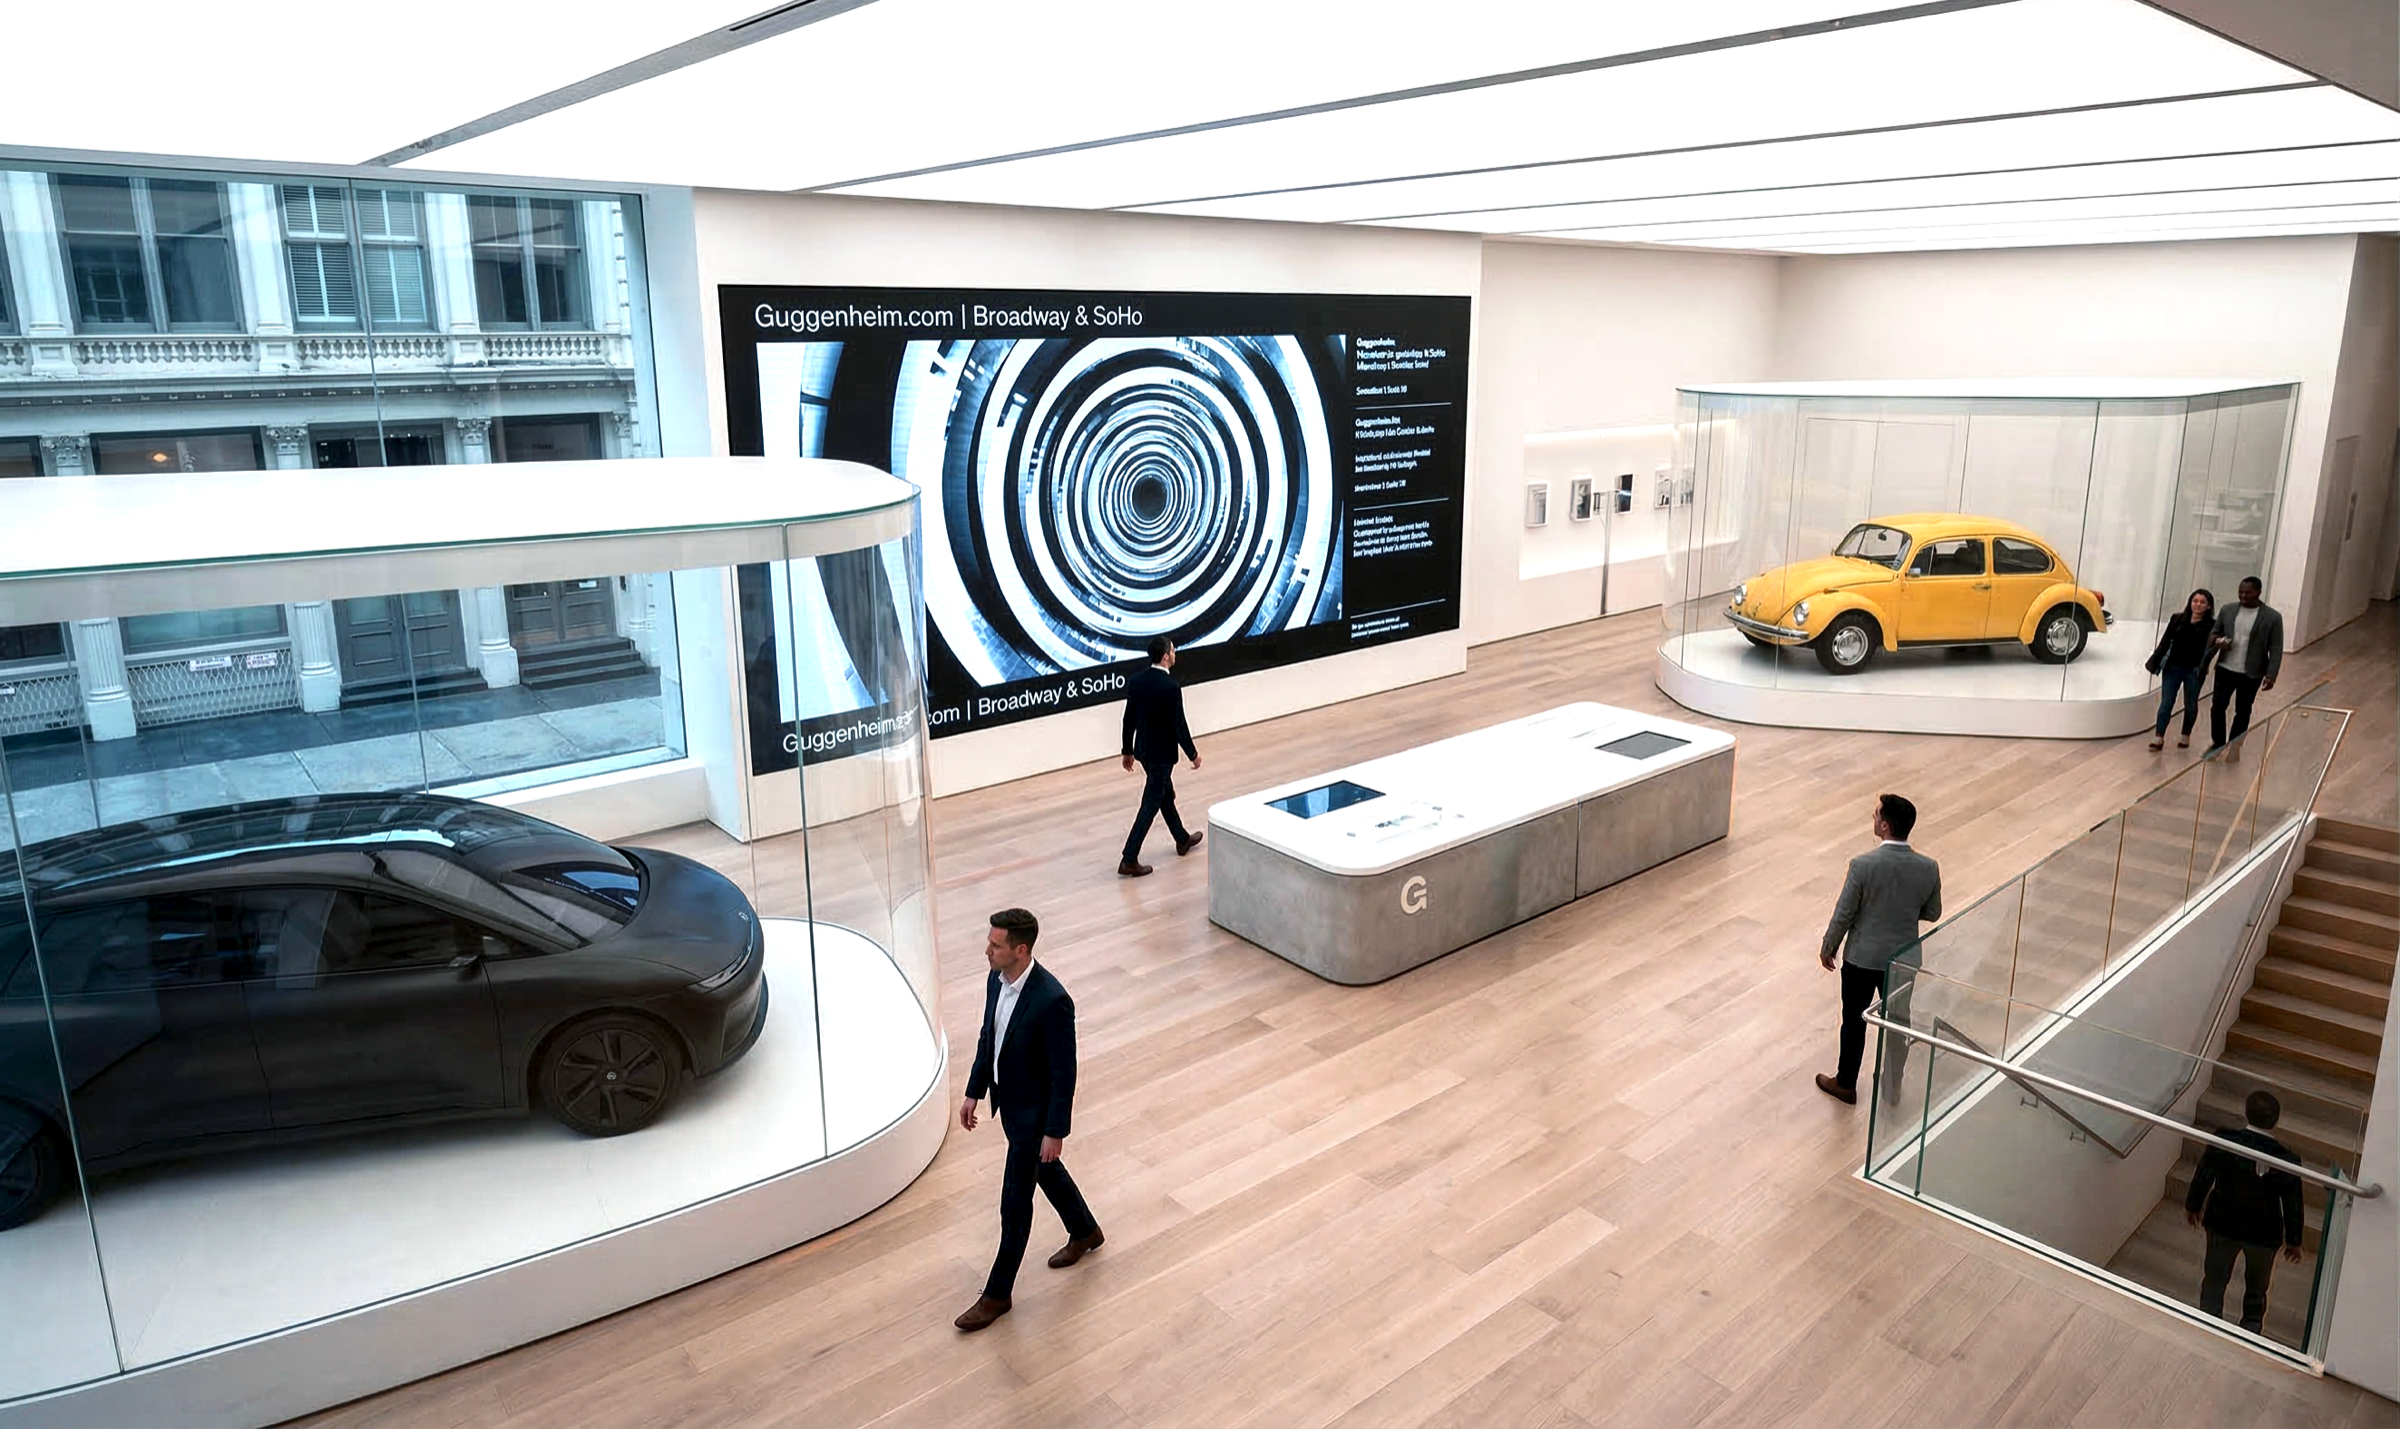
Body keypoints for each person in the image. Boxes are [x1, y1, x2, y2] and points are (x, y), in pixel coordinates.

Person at [954, 908, 1102, 1333]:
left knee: (1014, 1204)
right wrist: (974, 1090)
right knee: (1046, 1172)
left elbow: (1063, 1073)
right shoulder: (995, 980)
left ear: (1020, 949)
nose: (987, 950)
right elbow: (990, 1037)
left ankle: (998, 1294)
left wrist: (1055, 1130)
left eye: (995, 944)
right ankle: (1085, 1230)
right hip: (1010, 1106)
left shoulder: (1052, 1000)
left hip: (1035, 1117)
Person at [1816, 794, 1943, 1107]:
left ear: (1884, 826)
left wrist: (1829, 945)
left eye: (1875, 816)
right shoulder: (1928, 867)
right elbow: (1933, 912)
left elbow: (1844, 912)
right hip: (1904, 960)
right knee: (1899, 1022)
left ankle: (1846, 1083)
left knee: (1854, 1020)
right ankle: (1892, 1088)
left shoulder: (1862, 865)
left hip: (1862, 958)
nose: (1873, 819)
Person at [2186, 1089, 2305, 1334]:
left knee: (2215, 1280)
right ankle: (2250, 1333)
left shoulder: (2225, 1139)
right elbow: (2293, 1202)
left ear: (2246, 1113)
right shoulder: (2287, 1158)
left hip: (2222, 1222)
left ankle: (2207, 1327)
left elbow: (2204, 1173)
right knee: (2257, 1290)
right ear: (2276, 1120)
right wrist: (2294, 1240)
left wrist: (2193, 1205)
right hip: (2263, 1233)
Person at [1118, 635, 1202, 877]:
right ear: (1166, 656)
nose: (1175, 654)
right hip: (1162, 755)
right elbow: (1179, 725)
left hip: (1144, 751)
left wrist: (1127, 751)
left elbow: (1128, 719)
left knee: (1165, 795)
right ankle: (1129, 858)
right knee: (1151, 803)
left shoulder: (1137, 681)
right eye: (1173, 651)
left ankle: (1182, 839)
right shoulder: (1171, 687)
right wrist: (1193, 754)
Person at [2206, 576, 2283, 761]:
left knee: (2243, 710)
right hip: (2225, 668)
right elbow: (2213, 633)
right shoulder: (2228, 610)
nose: (2243, 596)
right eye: (2240, 592)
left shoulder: (2272, 617)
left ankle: (2235, 746)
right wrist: (2218, 641)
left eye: (2247, 592)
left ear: (2258, 592)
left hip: (2252, 673)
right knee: (2217, 707)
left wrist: (2271, 674)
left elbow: (2276, 648)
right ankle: (2218, 743)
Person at [2145, 588, 2217, 752]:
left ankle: (2186, 734)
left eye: (2202, 602)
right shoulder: (2177, 619)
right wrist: (2154, 661)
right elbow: (2165, 641)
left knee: (2190, 704)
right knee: (2166, 703)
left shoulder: (2212, 625)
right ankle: (2159, 737)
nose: (2197, 605)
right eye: (2195, 601)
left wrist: (2204, 666)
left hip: (2194, 670)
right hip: (2173, 667)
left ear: (2208, 606)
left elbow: (2211, 649)